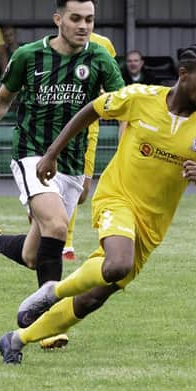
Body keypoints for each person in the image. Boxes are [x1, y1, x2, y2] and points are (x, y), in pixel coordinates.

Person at [0, 44, 196, 364]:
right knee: (117, 264)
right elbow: (92, 109)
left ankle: (16, 339)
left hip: (152, 225)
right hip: (116, 198)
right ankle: (53, 291)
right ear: (183, 75)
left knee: (93, 298)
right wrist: (51, 153)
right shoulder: (141, 98)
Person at [0, 0, 124, 350]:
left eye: (90, 19)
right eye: (76, 18)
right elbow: (3, 99)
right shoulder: (28, 56)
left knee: (35, 253)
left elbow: (123, 108)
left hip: (70, 165)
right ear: (58, 20)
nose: (83, 26)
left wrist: (108, 163)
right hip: (32, 155)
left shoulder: (100, 60)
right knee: (57, 225)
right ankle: (48, 323)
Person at [62, 31, 118, 262]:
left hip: (91, 125)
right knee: (64, 183)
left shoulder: (103, 44)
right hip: (62, 123)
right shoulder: (56, 47)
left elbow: (111, 80)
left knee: (83, 192)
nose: (81, 24)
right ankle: (65, 244)